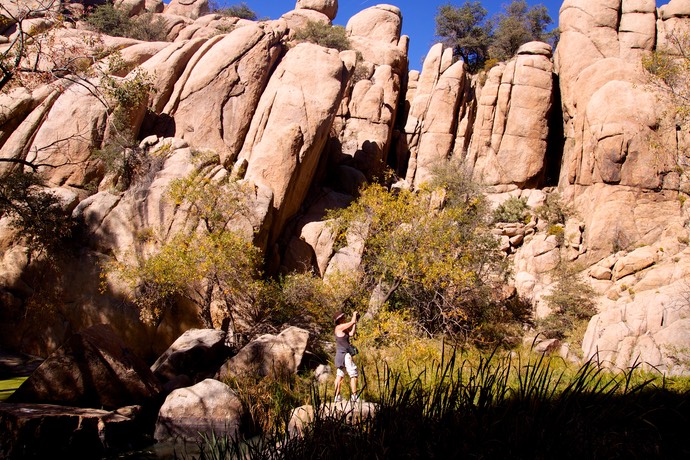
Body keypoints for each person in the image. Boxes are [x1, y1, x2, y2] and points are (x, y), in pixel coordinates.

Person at [333, 310, 360, 403]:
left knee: (339, 375)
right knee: (353, 374)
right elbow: (352, 322)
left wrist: (355, 323)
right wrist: (354, 315)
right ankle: (354, 396)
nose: (344, 318)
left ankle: (337, 397)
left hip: (340, 355)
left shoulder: (342, 328)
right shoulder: (339, 327)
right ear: (339, 319)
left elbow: (351, 334)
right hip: (345, 355)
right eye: (342, 317)